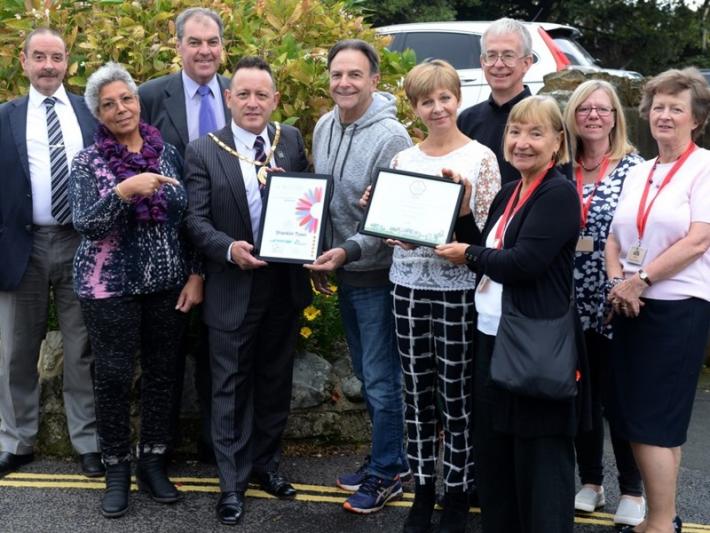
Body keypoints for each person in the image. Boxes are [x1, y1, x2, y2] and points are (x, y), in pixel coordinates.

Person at [438, 95, 582, 533]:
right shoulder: (510, 190)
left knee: (540, 459)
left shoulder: (558, 194)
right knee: (496, 455)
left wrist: (470, 255)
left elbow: (523, 263)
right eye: (515, 132)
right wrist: (462, 209)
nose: (522, 142)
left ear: (557, 141)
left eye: (536, 133)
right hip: (492, 336)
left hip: (535, 342)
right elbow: (485, 245)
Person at [69, 62, 203, 518]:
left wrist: (196, 273)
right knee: (112, 378)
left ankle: (153, 462)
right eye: (108, 104)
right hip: (109, 288)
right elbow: (86, 224)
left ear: (137, 100)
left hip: (168, 284)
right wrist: (124, 192)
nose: (120, 108)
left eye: (126, 98)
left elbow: (190, 220)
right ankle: (115, 470)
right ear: (98, 114)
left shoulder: (167, 153)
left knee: (164, 374)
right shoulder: (88, 162)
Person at [184, 56, 311, 527]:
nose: (253, 102)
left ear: (275, 100)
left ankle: (266, 466)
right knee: (230, 387)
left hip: (283, 284)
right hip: (233, 284)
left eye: (262, 94)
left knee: (275, 382)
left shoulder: (291, 140)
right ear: (229, 99)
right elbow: (194, 220)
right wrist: (227, 248)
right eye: (244, 94)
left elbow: (307, 203)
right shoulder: (204, 150)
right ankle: (231, 484)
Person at [384, 60, 500, 533]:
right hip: (407, 284)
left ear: (458, 99)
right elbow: (395, 228)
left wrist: (466, 204)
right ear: (414, 108)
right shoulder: (403, 160)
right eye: (426, 101)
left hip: (456, 290)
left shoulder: (481, 158)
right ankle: (422, 491)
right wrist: (389, 226)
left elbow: (492, 235)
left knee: (455, 395)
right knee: (416, 394)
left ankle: (456, 492)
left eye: (444, 98)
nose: (437, 108)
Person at [306, 39, 412, 515]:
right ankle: (385, 457)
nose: (344, 83)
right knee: (369, 376)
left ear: (374, 80)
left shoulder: (391, 138)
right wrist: (321, 253)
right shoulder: (324, 125)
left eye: (355, 75)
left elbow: (389, 222)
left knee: (382, 380)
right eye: (336, 75)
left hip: (379, 275)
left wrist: (346, 252)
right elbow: (324, 198)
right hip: (345, 270)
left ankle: (390, 471)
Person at [604, 67, 710, 533]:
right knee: (651, 421)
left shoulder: (705, 167)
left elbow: (698, 241)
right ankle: (660, 517)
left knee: (648, 423)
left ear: (696, 119)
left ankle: (660, 524)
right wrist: (617, 281)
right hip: (631, 305)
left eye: (676, 108)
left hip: (677, 308)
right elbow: (613, 236)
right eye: (658, 107)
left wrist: (640, 279)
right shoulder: (641, 171)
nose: (664, 116)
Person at [0, 28, 103, 479]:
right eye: (38, 56)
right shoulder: (4, 116)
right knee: (16, 351)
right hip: (20, 247)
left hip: (80, 241)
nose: (47, 65)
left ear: (67, 63)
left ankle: (87, 442)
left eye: (56, 57)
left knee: (82, 348)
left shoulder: (89, 112)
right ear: (23, 62)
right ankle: (17, 441)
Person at [138, 6, 230, 463]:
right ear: (177, 47)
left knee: (222, 353)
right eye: (194, 42)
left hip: (231, 250)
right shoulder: (150, 96)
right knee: (166, 355)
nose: (204, 50)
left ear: (223, 47)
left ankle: (217, 447)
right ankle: (162, 449)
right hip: (169, 250)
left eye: (212, 42)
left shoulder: (240, 93)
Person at [562, 80, 646, 527]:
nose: (593, 116)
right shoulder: (561, 168)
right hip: (568, 299)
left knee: (619, 399)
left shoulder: (636, 169)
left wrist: (630, 282)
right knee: (582, 396)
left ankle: (632, 489)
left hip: (615, 296)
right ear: (573, 117)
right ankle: (591, 483)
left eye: (603, 109)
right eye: (584, 109)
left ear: (616, 116)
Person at [456, 18, 533, 185]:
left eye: (508, 56)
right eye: (491, 56)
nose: (498, 64)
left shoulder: (546, 119)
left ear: (527, 63)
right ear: (482, 62)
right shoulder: (467, 120)